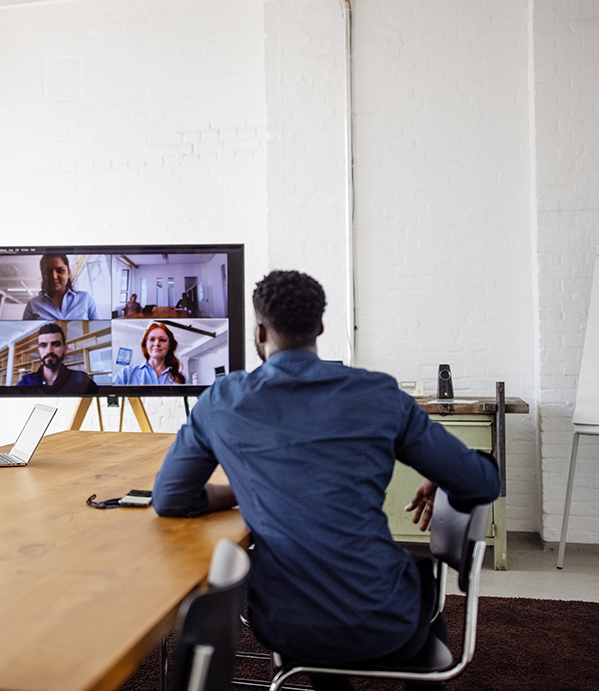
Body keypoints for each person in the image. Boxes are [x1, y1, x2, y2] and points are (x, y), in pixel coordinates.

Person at [151, 270, 501, 691]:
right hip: (385, 622)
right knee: (420, 589)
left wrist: (238, 495)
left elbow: (170, 498)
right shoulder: (379, 395)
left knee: (311, 597)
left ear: (259, 330)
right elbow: (481, 484)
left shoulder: (221, 400)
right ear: (319, 327)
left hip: (285, 626)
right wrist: (442, 474)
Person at [16, 323, 98, 394]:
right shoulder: (25, 383)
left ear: (65, 348)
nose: (49, 351)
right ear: (39, 350)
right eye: (43, 345)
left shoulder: (82, 380)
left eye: (56, 344)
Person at [22, 254, 100, 321]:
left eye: (60, 270)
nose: (54, 276)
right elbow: (26, 336)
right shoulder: (33, 305)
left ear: (68, 273)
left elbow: (100, 328)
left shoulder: (85, 299)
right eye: (48, 271)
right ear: (42, 274)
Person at [113, 322, 186, 385]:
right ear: (146, 344)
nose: (156, 344)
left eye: (162, 340)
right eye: (152, 339)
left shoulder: (182, 379)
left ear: (170, 345)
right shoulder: (126, 374)